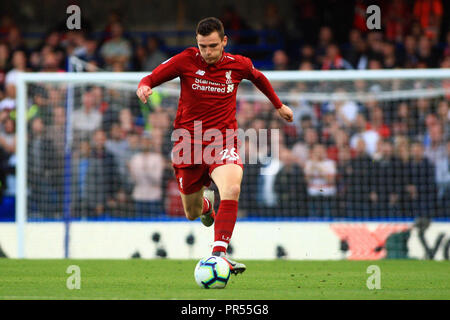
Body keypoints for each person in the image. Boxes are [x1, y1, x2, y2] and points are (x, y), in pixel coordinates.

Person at [136, 17, 293, 274]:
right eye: (202, 46)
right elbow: (152, 77)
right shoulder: (186, 60)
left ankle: (219, 254)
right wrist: (143, 87)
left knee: (231, 187)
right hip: (188, 143)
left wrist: (279, 105)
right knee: (191, 212)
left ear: (224, 42)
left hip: (223, 140)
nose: (207, 52)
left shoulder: (238, 65)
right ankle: (207, 206)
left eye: (212, 46)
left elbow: (259, 78)